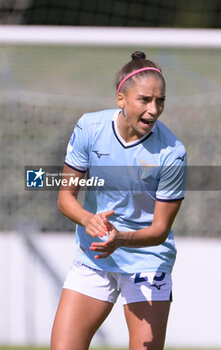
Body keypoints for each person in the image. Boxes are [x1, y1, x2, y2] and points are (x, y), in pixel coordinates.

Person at [51, 51, 187, 350]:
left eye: (160, 100)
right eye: (145, 100)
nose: (154, 110)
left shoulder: (173, 152)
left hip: (147, 260)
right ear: (121, 99)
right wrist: (89, 219)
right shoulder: (90, 128)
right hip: (95, 257)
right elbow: (65, 198)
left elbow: (160, 230)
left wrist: (120, 238)